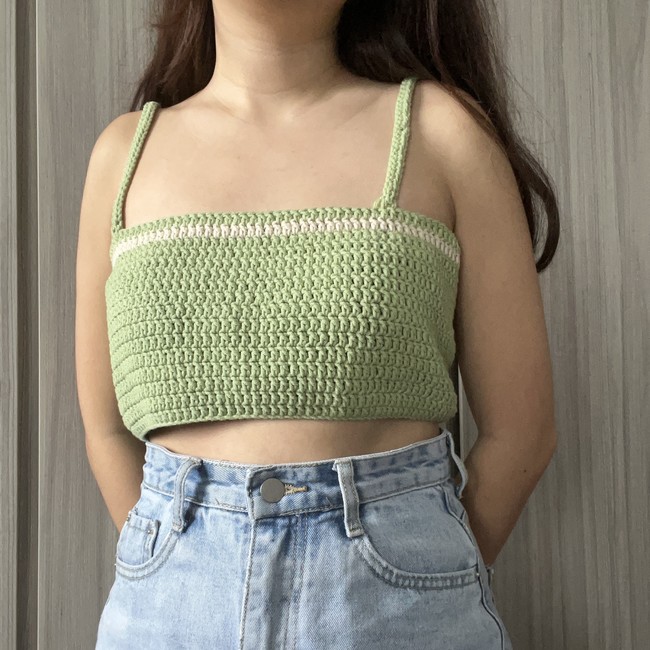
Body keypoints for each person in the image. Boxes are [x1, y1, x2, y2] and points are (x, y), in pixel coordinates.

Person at [76, 1, 559, 648]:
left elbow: (522, 434)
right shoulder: (123, 155)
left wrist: (424, 571)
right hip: (167, 613)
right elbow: (106, 429)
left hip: (399, 613)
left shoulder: (441, 132)